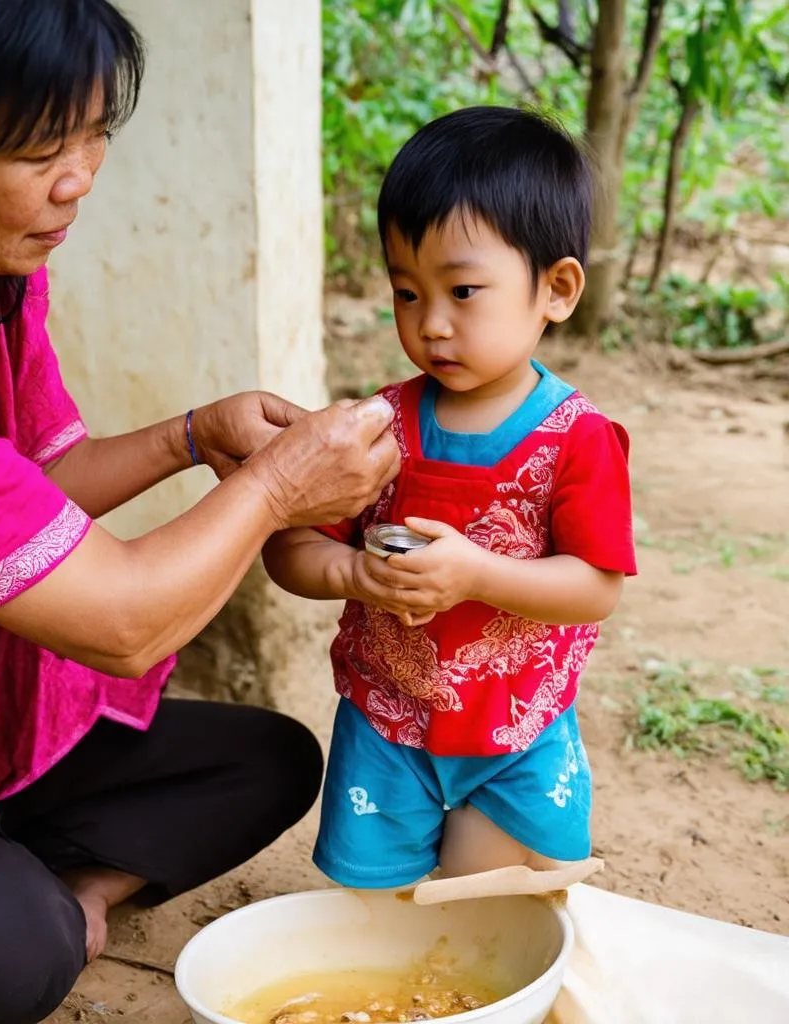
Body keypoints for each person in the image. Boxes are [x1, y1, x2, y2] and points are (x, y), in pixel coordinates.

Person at [0, 2, 400, 1022]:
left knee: (269, 761)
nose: (80, 178)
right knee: (9, 957)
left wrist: (194, 436)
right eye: (36, 148)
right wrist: (276, 489)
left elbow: (28, 486)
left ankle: (39, 885)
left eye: (94, 130)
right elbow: (123, 621)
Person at [264, 107, 637, 892]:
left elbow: (595, 587)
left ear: (557, 289)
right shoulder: (379, 426)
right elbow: (291, 548)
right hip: (387, 727)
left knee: (483, 916)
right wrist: (355, 575)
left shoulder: (577, 438)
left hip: (515, 737)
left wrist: (477, 576)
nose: (430, 324)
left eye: (463, 291)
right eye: (406, 292)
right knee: (382, 914)